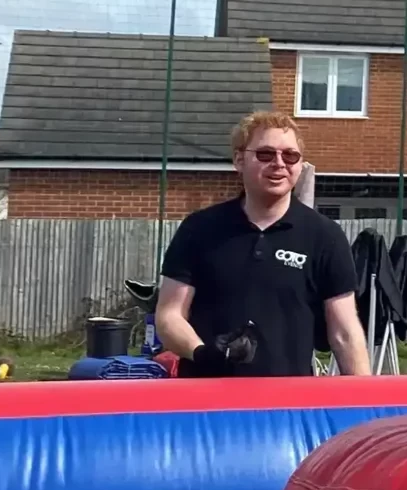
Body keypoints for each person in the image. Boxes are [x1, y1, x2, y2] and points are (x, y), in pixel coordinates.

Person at [157, 112, 371, 379]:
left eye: (290, 155)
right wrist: (202, 353)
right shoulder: (199, 229)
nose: (279, 164)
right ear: (239, 160)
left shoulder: (325, 236)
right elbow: (168, 316)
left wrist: (365, 404)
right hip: (205, 402)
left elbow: (344, 332)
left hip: (289, 405)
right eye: (265, 154)